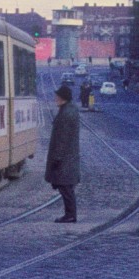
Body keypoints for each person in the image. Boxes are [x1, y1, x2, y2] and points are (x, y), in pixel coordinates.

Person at [45, 85, 80, 223]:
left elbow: (62, 139)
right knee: (65, 187)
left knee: (65, 187)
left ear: (62, 98)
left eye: (57, 96)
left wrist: (57, 158)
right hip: (68, 157)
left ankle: (70, 215)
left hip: (65, 158)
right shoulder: (68, 110)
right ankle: (70, 214)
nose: (55, 98)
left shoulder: (66, 114)